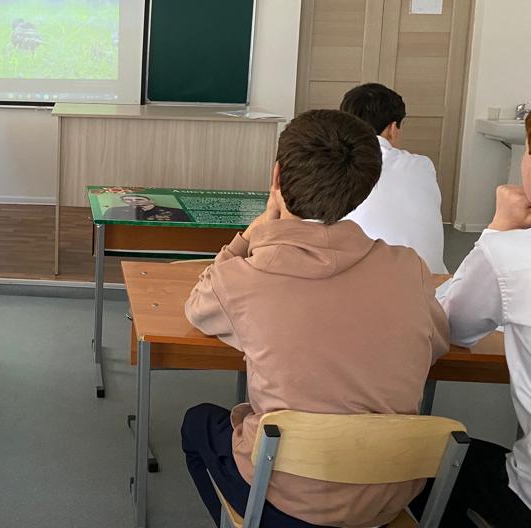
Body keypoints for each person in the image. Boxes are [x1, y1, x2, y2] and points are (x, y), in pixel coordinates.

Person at [182, 109, 449, 528]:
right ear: (365, 188)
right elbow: (436, 344)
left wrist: (250, 235)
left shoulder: (240, 279)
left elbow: (197, 308)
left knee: (196, 423)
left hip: (285, 496)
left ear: (276, 177)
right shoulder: (409, 268)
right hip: (387, 494)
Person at [430, 115, 531, 526]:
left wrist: (497, 230)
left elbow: (447, 324)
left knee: (429, 463)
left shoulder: (514, 256)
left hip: (526, 496)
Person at [340, 83, 446, 274]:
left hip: (360, 280)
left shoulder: (334, 167)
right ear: (392, 128)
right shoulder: (423, 166)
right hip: (431, 281)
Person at [103, 193, 190, 222]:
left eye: (139, 199)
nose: (134, 201)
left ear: (151, 201)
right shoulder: (114, 210)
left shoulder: (177, 211)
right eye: (128, 200)